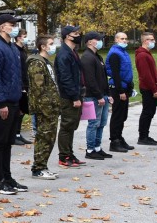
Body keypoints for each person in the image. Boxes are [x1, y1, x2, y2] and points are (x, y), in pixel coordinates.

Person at [0, 14, 26, 194]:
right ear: (2, 27)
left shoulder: (13, 48)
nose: (15, 27)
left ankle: (7, 177)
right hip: (1, 102)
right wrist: (1, 102)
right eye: (12, 24)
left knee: (8, 142)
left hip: (13, 101)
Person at [27, 35, 59, 180]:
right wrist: (46, 107)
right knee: (43, 137)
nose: (53, 46)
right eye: (51, 44)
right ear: (43, 46)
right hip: (44, 108)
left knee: (50, 138)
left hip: (51, 107)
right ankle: (38, 168)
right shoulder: (36, 63)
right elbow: (38, 88)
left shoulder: (47, 62)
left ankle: (43, 166)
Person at [55, 25, 86, 168]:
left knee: (72, 125)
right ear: (68, 36)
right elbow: (65, 78)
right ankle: (64, 156)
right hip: (68, 96)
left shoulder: (72, 52)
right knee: (67, 126)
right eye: (75, 33)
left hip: (76, 93)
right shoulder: (64, 54)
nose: (78, 35)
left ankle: (70, 153)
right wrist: (74, 97)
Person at [80, 32, 112, 160]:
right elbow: (90, 79)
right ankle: (90, 149)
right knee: (93, 123)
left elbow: (103, 77)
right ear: (89, 42)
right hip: (93, 96)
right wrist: (99, 96)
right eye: (97, 39)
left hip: (102, 95)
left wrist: (108, 94)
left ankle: (97, 147)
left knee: (102, 123)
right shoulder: (87, 57)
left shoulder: (97, 56)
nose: (100, 41)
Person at [105, 32, 135, 152]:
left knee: (123, 115)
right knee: (117, 115)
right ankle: (114, 141)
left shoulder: (123, 52)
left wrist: (129, 86)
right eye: (122, 38)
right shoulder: (114, 54)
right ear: (116, 39)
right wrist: (121, 91)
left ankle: (119, 137)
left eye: (126, 39)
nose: (124, 41)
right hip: (118, 88)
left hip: (125, 86)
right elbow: (116, 74)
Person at [135, 32, 157, 146]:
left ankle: (146, 134)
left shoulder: (147, 54)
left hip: (152, 87)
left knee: (151, 111)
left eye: (153, 39)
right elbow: (146, 75)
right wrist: (154, 89)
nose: (153, 41)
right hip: (148, 88)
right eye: (151, 39)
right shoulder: (142, 55)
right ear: (145, 41)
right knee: (147, 112)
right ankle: (142, 136)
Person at [13, 29, 33, 145]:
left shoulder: (23, 50)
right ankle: (14, 134)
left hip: (25, 83)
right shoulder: (15, 50)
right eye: (24, 36)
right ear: (19, 37)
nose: (26, 38)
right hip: (19, 84)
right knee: (18, 110)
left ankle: (18, 133)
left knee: (22, 110)